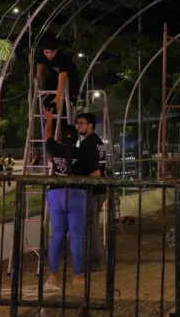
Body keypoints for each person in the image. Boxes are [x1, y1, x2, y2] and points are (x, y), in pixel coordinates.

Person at [45, 123, 90, 284]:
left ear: (61, 138)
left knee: (57, 234)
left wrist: (49, 119)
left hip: (55, 193)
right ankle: (77, 275)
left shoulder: (55, 148)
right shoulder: (82, 153)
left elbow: (47, 135)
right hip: (76, 194)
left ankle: (53, 273)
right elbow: (90, 173)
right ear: (77, 137)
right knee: (76, 236)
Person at [76, 112, 107, 272]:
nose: (78, 126)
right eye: (78, 123)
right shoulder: (98, 142)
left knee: (91, 226)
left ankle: (95, 260)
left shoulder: (87, 144)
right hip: (100, 188)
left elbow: (95, 171)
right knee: (92, 224)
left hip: (92, 189)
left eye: (82, 123)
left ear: (91, 125)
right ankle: (94, 259)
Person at [36, 35, 77, 141]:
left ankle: (64, 136)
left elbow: (62, 81)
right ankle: (50, 126)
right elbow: (41, 64)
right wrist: (38, 75)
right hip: (53, 75)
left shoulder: (62, 58)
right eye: (47, 52)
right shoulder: (41, 54)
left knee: (61, 108)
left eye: (52, 52)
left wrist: (58, 97)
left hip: (70, 78)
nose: (49, 55)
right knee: (49, 95)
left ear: (56, 50)